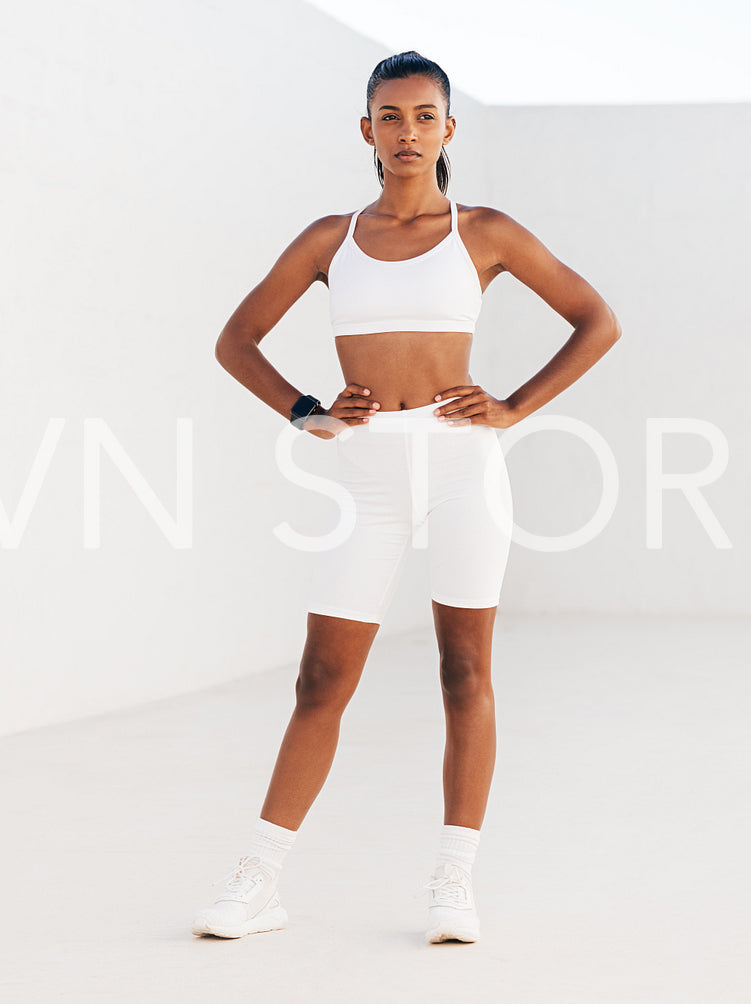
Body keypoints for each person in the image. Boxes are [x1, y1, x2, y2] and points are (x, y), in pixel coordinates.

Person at [193, 51, 621, 943]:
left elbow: (596, 320)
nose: (407, 133)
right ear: (366, 130)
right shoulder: (328, 240)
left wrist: (510, 408)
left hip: (464, 467)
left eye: (424, 117)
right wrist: (305, 410)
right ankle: (258, 880)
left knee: (464, 672)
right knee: (321, 680)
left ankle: (453, 884)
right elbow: (235, 340)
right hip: (367, 474)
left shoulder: (487, 231)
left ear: (448, 130)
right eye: (390, 117)